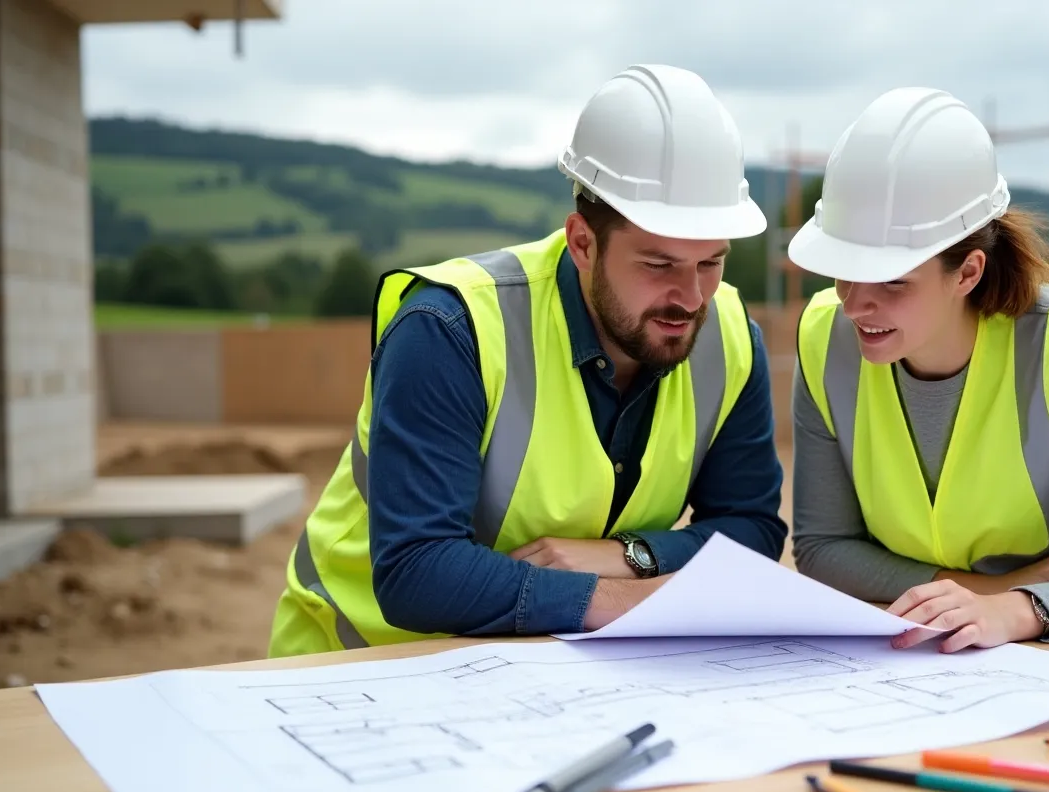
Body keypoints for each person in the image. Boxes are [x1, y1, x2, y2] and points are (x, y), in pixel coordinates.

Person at [267, 65, 787, 657]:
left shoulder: (727, 337)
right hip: (354, 670)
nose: (691, 299)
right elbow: (416, 569)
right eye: (659, 265)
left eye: (711, 263)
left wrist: (632, 557)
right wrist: (630, 600)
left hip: (539, 676)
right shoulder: (449, 329)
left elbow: (752, 529)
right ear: (583, 242)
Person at [786, 87, 1049, 654]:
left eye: (891, 280)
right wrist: (981, 593)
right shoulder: (824, 339)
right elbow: (823, 549)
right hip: (906, 649)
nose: (853, 305)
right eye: (843, 272)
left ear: (968, 272)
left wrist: (1015, 611)